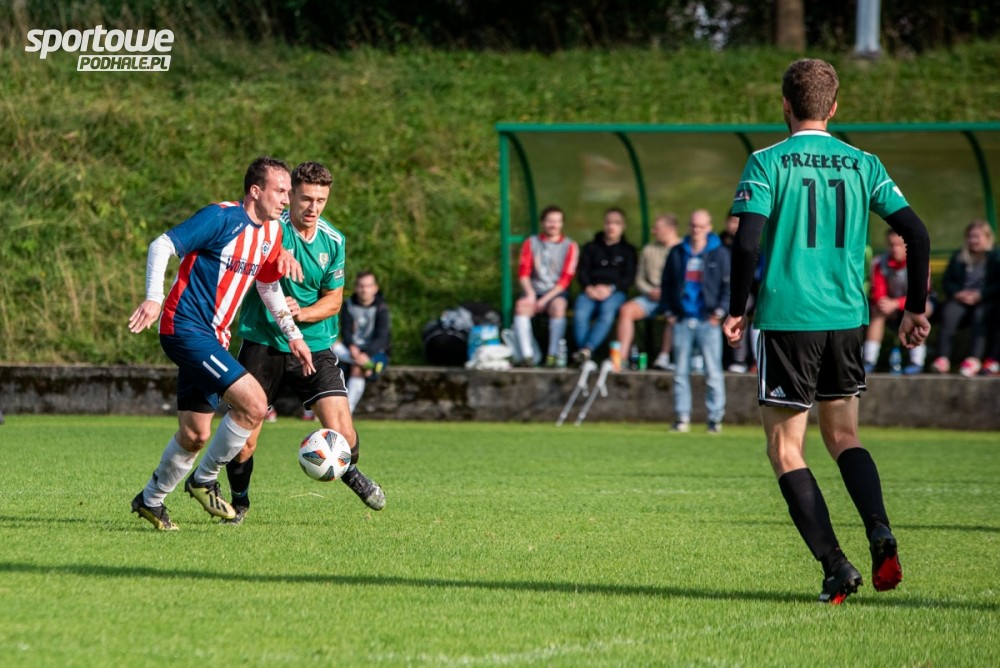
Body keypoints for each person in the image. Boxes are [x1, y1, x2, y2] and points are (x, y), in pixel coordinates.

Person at [723, 58, 932, 604]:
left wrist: (736, 308)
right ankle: (879, 529)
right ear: (833, 107)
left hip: (789, 319)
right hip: (846, 319)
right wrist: (914, 308)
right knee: (843, 437)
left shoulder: (767, 161)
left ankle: (836, 565)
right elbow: (916, 233)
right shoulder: (864, 163)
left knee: (785, 448)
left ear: (785, 105)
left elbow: (747, 243)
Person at [127, 156, 315, 531]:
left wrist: (293, 334)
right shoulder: (221, 218)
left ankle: (150, 500)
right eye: (280, 191)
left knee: (195, 434)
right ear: (255, 191)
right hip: (185, 328)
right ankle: (204, 479)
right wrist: (154, 297)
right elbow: (162, 244)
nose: (286, 199)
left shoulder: (272, 232)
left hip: (215, 338)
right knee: (255, 404)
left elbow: (267, 285)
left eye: (288, 193)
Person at [225, 162, 386, 525]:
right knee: (245, 438)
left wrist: (302, 312)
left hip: (313, 345)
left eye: (321, 200)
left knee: (344, 432)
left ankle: (350, 472)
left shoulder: (333, 240)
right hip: (264, 341)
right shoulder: (269, 230)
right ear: (291, 195)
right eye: (306, 199)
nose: (313, 208)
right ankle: (239, 503)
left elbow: (334, 300)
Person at [659, 209, 730, 433]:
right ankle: (682, 417)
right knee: (680, 372)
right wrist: (668, 311)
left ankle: (715, 418)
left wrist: (720, 311)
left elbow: (729, 286)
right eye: (693, 225)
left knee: (713, 372)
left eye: (701, 226)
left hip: (708, 321)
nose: (696, 230)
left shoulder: (720, 253)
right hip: (682, 319)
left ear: (709, 227)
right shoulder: (678, 252)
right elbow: (667, 283)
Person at [931, 219, 999, 377]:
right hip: (961, 299)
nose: (973, 240)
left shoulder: (996, 257)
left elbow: (998, 284)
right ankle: (942, 358)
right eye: (970, 236)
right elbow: (948, 281)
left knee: (980, 315)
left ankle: (974, 360)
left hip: (987, 301)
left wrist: (981, 295)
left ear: (987, 238)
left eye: (977, 236)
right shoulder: (959, 257)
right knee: (949, 312)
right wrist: (957, 293)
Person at [512, 205, 579, 366]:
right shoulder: (531, 243)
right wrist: (530, 294)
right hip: (534, 290)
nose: (553, 225)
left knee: (558, 307)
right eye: (550, 221)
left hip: (556, 292)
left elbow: (565, 280)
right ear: (542, 222)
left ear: (562, 224)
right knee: (521, 307)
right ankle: (527, 356)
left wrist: (544, 300)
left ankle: (553, 355)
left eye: (557, 221)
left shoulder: (570, 246)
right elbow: (523, 272)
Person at [614, 213, 680, 371]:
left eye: (657, 228)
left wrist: (668, 292)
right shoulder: (648, 249)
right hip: (651, 297)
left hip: (674, 297)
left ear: (670, 229)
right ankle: (620, 359)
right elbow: (639, 279)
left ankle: (664, 356)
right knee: (626, 310)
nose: (653, 231)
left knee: (674, 314)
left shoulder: (683, 249)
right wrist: (649, 290)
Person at [572, 207, 637, 364]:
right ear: (603, 224)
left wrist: (610, 289)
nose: (611, 226)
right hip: (590, 291)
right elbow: (582, 273)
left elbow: (629, 278)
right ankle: (585, 353)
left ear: (623, 226)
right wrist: (589, 288)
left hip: (615, 292)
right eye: (608, 222)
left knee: (607, 312)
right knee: (580, 313)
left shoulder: (628, 251)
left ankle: (586, 350)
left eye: (616, 223)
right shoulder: (591, 247)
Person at [863, 228, 932, 374]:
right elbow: (878, 294)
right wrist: (884, 303)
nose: (895, 249)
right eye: (891, 245)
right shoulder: (879, 263)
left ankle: (917, 361)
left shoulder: (919, 263)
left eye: (899, 245)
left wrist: (896, 303)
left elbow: (921, 293)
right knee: (878, 311)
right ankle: (869, 360)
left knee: (919, 311)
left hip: (916, 304)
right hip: (890, 307)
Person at [334, 271, 392, 413]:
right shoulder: (348, 305)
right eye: (361, 286)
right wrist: (351, 346)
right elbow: (346, 331)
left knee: (357, 369)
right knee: (330, 348)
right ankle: (368, 366)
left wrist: (366, 354)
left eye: (368, 286)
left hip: (375, 351)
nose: (364, 290)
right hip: (352, 351)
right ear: (356, 287)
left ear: (375, 288)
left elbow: (382, 337)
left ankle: (346, 411)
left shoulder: (381, 308)